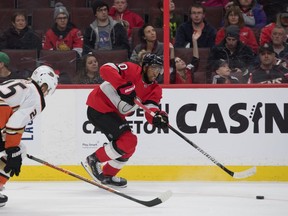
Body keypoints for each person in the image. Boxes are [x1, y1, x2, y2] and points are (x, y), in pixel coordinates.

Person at [81, 54, 169, 187]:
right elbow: (105, 69)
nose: (156, 72)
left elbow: (151, 109)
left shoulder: (155, 89)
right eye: (154, 68)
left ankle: (108, 175)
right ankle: (93, 160)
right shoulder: (132, 70)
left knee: (129, 146)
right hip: (98, 106)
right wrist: (122, 86)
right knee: (129, 140)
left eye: (159, 69)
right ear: (145, 67)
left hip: (114, 114)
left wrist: (158, 117)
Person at [0, 65, 58, 207]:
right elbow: (15, 124)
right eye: (47, 89)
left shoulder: (21, 82)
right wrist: (13, 150)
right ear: (44, 85)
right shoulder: (36, 97)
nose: (45, 93)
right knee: (19, 150)